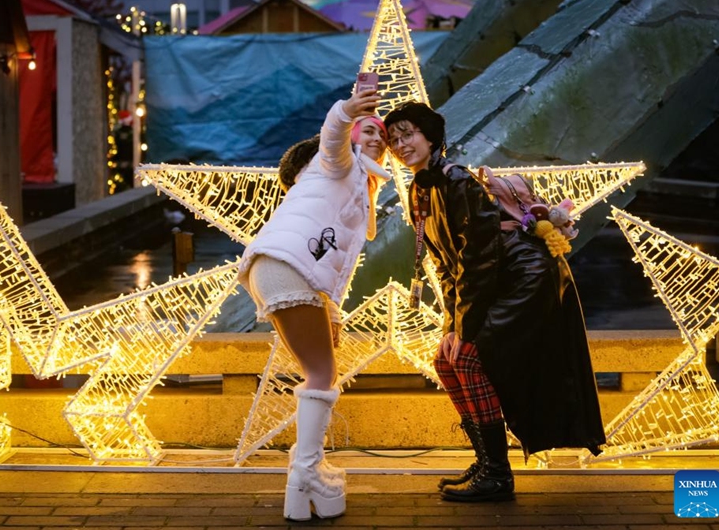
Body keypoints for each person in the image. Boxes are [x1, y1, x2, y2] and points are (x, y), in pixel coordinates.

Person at [383, 101, 605, 503]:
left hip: (526, 278)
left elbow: (478, 258)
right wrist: (450, 326)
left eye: (408, 135)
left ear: (430, 137)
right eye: (393, 140)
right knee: (445, 360)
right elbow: (446, 265)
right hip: (495, 280)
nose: (400, 145)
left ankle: (498, 475)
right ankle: (486, 462)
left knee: (468, 357)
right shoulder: (420, 189)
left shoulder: (457, 180)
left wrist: (464, 329)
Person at [238, 89, 390, 520]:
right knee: (322, 374)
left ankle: (306, 475)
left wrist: (332, 311)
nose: (377, 138)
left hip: (277, 268)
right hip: (286, 267)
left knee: (319, 372)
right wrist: (348, 110)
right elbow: (332, 135)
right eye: (368, 130)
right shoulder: (337, 163)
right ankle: (305, 473)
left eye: (381, 135)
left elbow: (332, 261)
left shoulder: (355, 186)